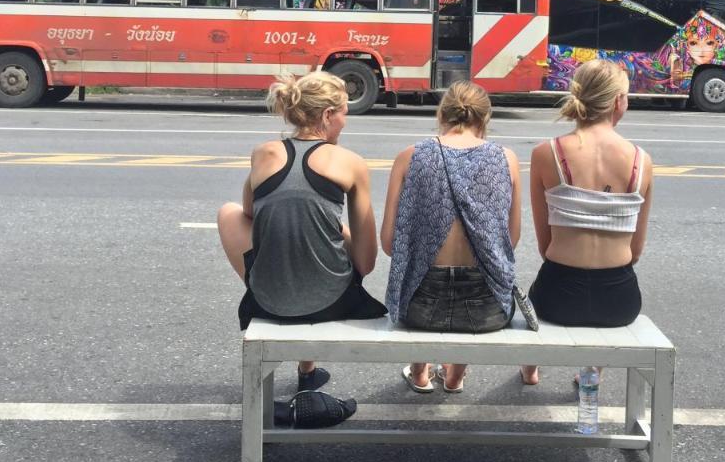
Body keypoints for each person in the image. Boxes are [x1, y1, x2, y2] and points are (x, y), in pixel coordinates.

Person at [217, 71, 386, 392]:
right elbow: (366, 263)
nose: (345, 124)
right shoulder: (351, 162)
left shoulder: (263, 153)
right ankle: (307, 368)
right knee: (333, 229)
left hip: (269, 301)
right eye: (344, 115)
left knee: (229, 213)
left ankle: (280, 299)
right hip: (333, 301)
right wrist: (336, 228)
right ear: (327, 115)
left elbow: (250, 213)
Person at [520, 59, 653, 386]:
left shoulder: (546, 153)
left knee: (538, 291)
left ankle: (529, 369)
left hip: (558, 296)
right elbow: (636, 250)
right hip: (619, 300)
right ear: (619, 102)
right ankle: (591, 374)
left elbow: (545, 245)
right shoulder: (641, 161)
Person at [382, 82, 522, 394]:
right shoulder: (506, 158)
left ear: (441, 114)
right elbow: (510, 239)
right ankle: (455, 376)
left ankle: (420, 372)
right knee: (484, 268)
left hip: (419, 309)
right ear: (484, 119)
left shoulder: (409, 156)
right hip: (487, 311)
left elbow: (390, 243)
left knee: (417, 271)